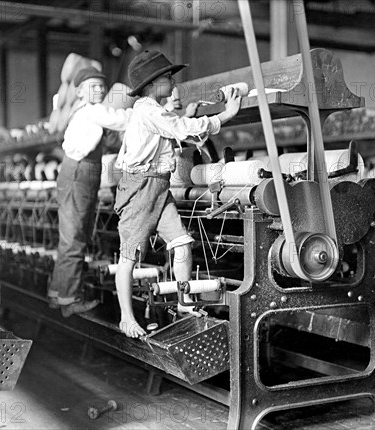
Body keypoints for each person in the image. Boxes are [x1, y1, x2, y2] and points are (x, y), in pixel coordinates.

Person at [114, 50, 241, 338]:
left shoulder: (155, 111)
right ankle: (126, 317)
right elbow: (181, 129)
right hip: (140, 188)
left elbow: (176, 128)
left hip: (158, 186)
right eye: (167, 78)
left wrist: (188, 116)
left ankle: (184, 303)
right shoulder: (147, 110)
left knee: (182, 243)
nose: (173, 82)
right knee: (129, 256)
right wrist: (226, 115)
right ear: (150, 85)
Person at [48, 66, 132, 318]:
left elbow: (110, 139)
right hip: (79, 174)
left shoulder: (84, 113)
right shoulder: (93, 111)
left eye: (101, 86)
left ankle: (59, 293)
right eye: (92, 86)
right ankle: (70, 300)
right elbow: (122, 119)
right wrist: (148, 110)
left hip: (78, 173)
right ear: (79, 91)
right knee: (74, 238)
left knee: (72, 237)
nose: (99, 90)